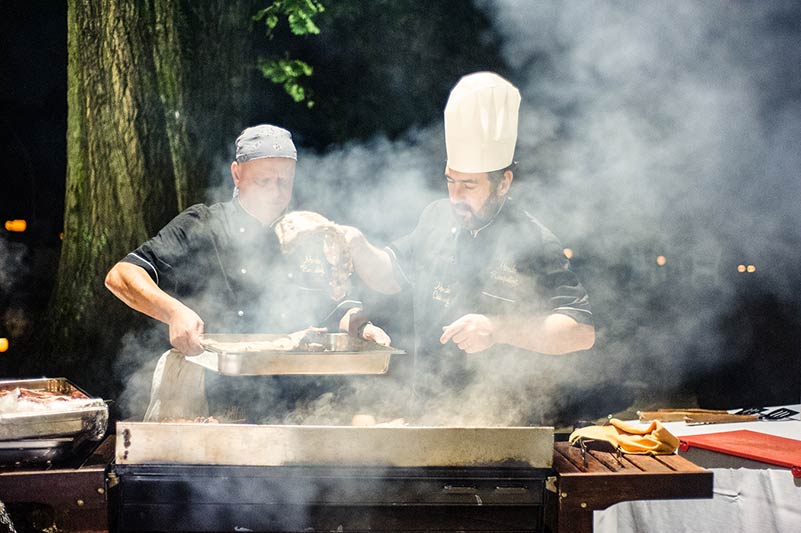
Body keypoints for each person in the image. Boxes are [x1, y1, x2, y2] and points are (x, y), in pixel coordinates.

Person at [340, 73, 596, 425]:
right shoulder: (435, 219)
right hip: (428, 417)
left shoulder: (533, 240)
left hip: (504, 426)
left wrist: (496, 329)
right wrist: (355, 243)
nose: (455, 197)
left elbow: (580, 332)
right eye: (450, 181)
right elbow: (389, 273)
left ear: (503, 182)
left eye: (469, 185)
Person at [105, 124, 385, 421]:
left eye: (284, 182)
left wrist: (358, 326)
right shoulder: (202, 223)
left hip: (297, 405)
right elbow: (122, 274)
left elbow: (330, 307)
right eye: (264, 181)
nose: (277, 193)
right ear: (236, 173)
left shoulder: (306, 231)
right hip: (213, 404)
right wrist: (173, 312)